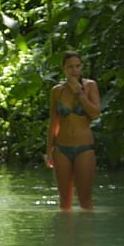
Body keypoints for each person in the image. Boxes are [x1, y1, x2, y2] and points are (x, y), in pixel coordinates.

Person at [45, 50, 100, 210]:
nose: (74, 70)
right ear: (63, 69)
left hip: (84, 148)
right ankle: (65, 234)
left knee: (85, 202)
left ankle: (86, 234)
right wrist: (49, 149)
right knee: (64, 202)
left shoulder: (90, 86)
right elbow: (54, 121)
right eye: (70, 67)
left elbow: (95, 114)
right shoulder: (57, 91)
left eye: (77, 66)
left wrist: (80, 94)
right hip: (61, 149)